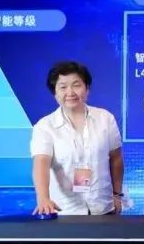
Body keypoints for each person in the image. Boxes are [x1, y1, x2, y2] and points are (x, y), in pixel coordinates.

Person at [30, 61, 124, 216]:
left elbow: (116, 159)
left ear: (87, 89)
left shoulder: (105, 118)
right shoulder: (45, 126)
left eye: (76, 85)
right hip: (65, 211)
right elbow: (41, 163)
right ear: (55, 93)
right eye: (63, 87)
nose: (70, 92)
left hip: (103, 208)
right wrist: (43, 198)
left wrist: (117, 195)